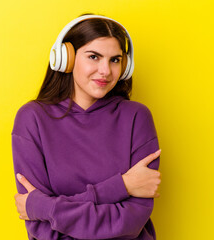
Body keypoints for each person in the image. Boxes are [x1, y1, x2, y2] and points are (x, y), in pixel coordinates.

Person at [12, 14, 162, 240]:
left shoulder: (137, 117)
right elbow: (42, 231)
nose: (105, 71)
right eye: (94, 57)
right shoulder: (33, 118)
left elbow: (131, 223)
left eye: (115, 60)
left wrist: (45, 208)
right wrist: (122, 186)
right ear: (67, 58)